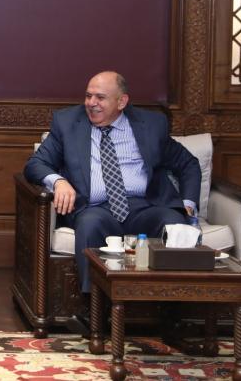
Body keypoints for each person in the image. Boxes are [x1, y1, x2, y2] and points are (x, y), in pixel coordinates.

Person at [24, 71, 200, 318]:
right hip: (95, 207)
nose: (91, 103)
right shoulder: (67, 123)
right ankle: (93, 311)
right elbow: (35, 164)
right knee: (90, 224)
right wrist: (58, 181)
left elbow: (188, 163)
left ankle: (170, 312)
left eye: (100, 97)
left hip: (145, 206)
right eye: (88, 96)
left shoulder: (151, 125)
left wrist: (188, 202)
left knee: (174, 223)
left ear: (121, 101)